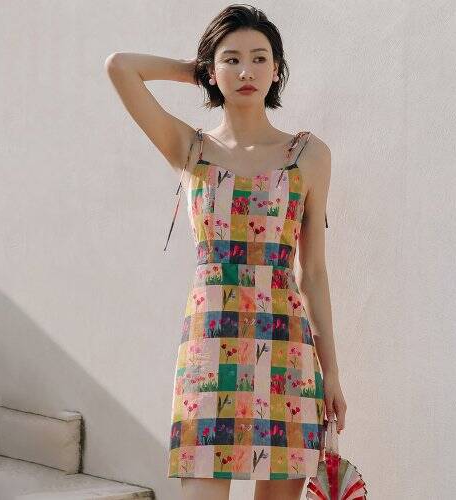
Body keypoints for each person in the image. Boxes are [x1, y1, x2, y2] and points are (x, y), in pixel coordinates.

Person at [105, 4, 346, 499]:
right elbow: (120, 67)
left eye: (259, 58)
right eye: (231, 60)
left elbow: (314, 272)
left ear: (277, 69)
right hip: (210, 346)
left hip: (285, 346)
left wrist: (332, 375)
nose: (246, 71)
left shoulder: (309, 155)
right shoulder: (189, 147)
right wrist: (196, 70)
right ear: (211, 71)